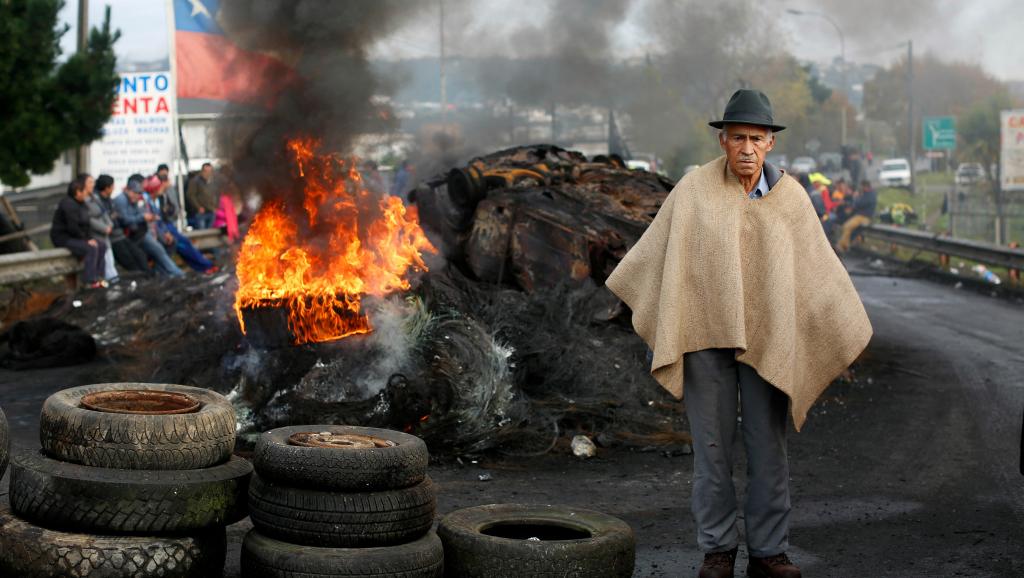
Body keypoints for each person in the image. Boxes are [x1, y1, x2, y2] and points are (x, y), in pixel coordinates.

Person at [605, 89, 872, 578]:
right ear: (722, 141)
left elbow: (815, 273)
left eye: (756, 138)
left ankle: (769, 552)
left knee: (768, 447)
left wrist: (838, 322)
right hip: (704, 335)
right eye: (737, 138)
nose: (747, 148)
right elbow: (659, 255)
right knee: (711, 449)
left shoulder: (791, 199)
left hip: (769, 340)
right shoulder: (693, 191)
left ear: (770, 144)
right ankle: (718, 551)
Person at [115, 175, 184, 277]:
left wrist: (164, 231)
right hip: (134, 235)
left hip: (145, 231)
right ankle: (176, 273)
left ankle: (164, 273)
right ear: (128, 190)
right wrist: (143, 218)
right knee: (157, 250)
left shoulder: (143, 199)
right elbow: (126, 220)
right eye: (136, 193)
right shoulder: (123, 200)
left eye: (139, 193)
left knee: (171, 243)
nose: (138, 196)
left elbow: (155, 218)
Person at [144, 175, 216, 273]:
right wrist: (164, 233)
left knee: (185, 244)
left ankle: (205, 266)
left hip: (166, 227)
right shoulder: (148, 201)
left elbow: (169, 211)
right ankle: (196, 269)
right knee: (181, 245)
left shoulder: (160, 197)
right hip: (161, 231)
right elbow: (155, 222)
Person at [50, 175, 107, 288]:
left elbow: (86, 225)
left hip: (78, 236)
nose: (87, 194)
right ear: (78, 192)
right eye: (84, 192)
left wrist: (90, 238)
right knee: (91, 248)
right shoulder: (68, 204)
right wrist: (86, 240)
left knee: (101, 245)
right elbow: (73, 227)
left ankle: (99, 277)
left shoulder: (82, 204)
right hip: (65, 237)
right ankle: (89, 280)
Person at [94, 175, 150, 273]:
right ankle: (141, 281)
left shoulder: (109, 200)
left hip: (120, 235)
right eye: (112, 186)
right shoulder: (100, 201)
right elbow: (119, 219)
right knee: (130, 262)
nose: (114, 188)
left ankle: (148, 279)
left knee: (140, 255)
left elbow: (117, 217)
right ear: (107, 188)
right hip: (112, 238)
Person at [82, 173, 118, 283]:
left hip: (105, 235)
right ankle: (113, 286)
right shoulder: (84, 201)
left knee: (110, 261)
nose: (93, 185)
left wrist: (109, 224)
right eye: (90, 182)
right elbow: (89, 218)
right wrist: (104, 228)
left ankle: (113, 284)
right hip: (96, 235)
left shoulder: (95, 197)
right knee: (106, 264)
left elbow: (103, 213)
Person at [836, 179, 878, 253]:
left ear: (866, 186)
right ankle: (845, 245)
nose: (861, 188)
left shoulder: (870, 195)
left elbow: (859, 203)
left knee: (847, 226)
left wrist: (856, 197)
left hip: (864, 217)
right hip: (860, 216)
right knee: (847, 227)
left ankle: (842, 246)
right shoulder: (866, 193)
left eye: (862, 187)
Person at [186, 162, 219, 229]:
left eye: (210, 171)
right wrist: (198, 207)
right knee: (202, 231)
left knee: (210, 231)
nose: (208, 173)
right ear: (202, 171)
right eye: (206, 171)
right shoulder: (195, 181)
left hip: (211, 211)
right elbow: (190, 195)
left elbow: (217, 194)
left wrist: (216, 206)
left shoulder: (213, 181)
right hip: (201, 213)